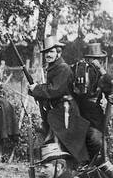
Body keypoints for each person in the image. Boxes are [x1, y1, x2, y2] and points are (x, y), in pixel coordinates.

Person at [29, 36, 90, 165]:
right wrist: (34, 89)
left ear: (58, 52)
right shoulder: (53, 67)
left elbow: (55, 90)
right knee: (57, 137)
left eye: (51, 52)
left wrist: (37, 89)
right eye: (46, 52)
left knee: (68, 139)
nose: (48, 55)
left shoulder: (63, 68)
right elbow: (49, 89)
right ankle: (57, 165)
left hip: (66, 109)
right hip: (57, 109)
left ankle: (74, 166)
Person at [70, 42, 113, 161]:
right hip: (77, 112)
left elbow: (110, 88)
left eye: (97, 59)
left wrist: (101, 69)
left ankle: (96, 166)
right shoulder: (77, 69)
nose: (94, 61)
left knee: (97, 141)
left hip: (95, 117)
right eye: (92, 59)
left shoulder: (102, 75)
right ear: (87, 58)